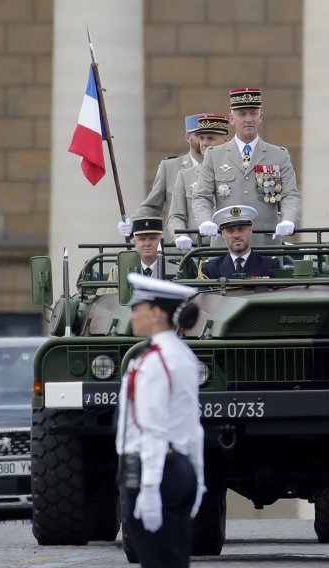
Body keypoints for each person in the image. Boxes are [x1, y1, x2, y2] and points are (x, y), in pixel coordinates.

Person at [115, 273, 205, 568]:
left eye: (136, 307)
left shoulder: (154, 361)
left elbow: (152, 429)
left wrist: (150, 487)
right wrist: (198, 477)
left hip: (154, 471)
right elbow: (194, 427)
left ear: (156, 314)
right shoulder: (183, 354)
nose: (132, 315)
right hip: (180, 469)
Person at [192, 88, 301, 245]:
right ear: (231, 118)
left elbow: (290, 195)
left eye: (253, 113)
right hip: (226, 243)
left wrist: (288, 219)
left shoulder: (278, 155)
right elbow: (202, 196)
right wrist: (205, 220)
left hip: (265, 242)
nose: (248, 119)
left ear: (260, 117)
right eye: (242, 114)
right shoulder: (214, 155)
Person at [119, 114, 205, 240]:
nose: (204, 141)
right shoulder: (170, 167)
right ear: (188, 137)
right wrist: (133, 223)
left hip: (213, 246)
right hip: (176, 247)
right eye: (199, 136)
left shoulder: (221, 166)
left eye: (209, 136)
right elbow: (152, 206)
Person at [168, 114, 230, 251]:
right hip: (198, 251)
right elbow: (176, 216)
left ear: (226, 141)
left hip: (232, 249)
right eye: (201, 138)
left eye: (211, 138)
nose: (204, 143)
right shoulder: (185, 176)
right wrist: (180, 236)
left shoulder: (238, 172)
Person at [200, 205, 279, 279]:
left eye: (241, 230)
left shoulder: (269, 265)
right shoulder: (210, 268)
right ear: (223, 234)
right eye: (230, 231)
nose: (236, 235)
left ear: (250, 231)